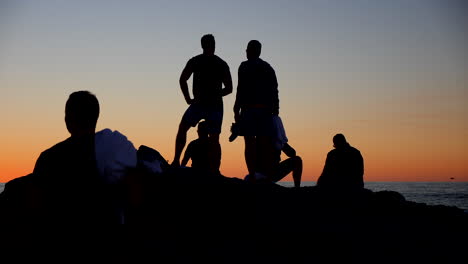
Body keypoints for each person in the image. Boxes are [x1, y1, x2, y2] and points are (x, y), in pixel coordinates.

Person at [31, 90, 138, 224]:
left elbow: (36, 207)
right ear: (95, 118)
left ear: (67, 120)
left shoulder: (49, 158)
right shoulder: (116, 148)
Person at [171, 34, 233, 171]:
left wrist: (188, 98)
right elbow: (229, 89)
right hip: (210, 104)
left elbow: (182, 79)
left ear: (202, 45)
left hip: (204, 104)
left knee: (185, 128)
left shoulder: (197, 61)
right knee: (214, 138)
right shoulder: (219, 63)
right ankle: (214, 170)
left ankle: (176, 160)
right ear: (214, 45)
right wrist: (213, 94)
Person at [233, 39, 279, 179]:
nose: (246, 51)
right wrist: (276, 111)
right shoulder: (268, 68)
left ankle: (253, 173)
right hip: (264, 111)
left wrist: (236, 109)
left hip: (249, 110)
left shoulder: (244, 66)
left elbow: (240, 89)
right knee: (262, 143)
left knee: (250, 143)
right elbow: (274, 91)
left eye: (247, 49)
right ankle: (260, 173)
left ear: (251, 51)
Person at [243, 116, 302, 188]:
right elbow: (292, 153)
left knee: (297, 160)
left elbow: (291, 153)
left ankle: (297, 188)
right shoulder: (268, 137)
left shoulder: (273, 138)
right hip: (264, 174)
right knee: (297, 160)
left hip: (269, 173)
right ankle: (297, 188)